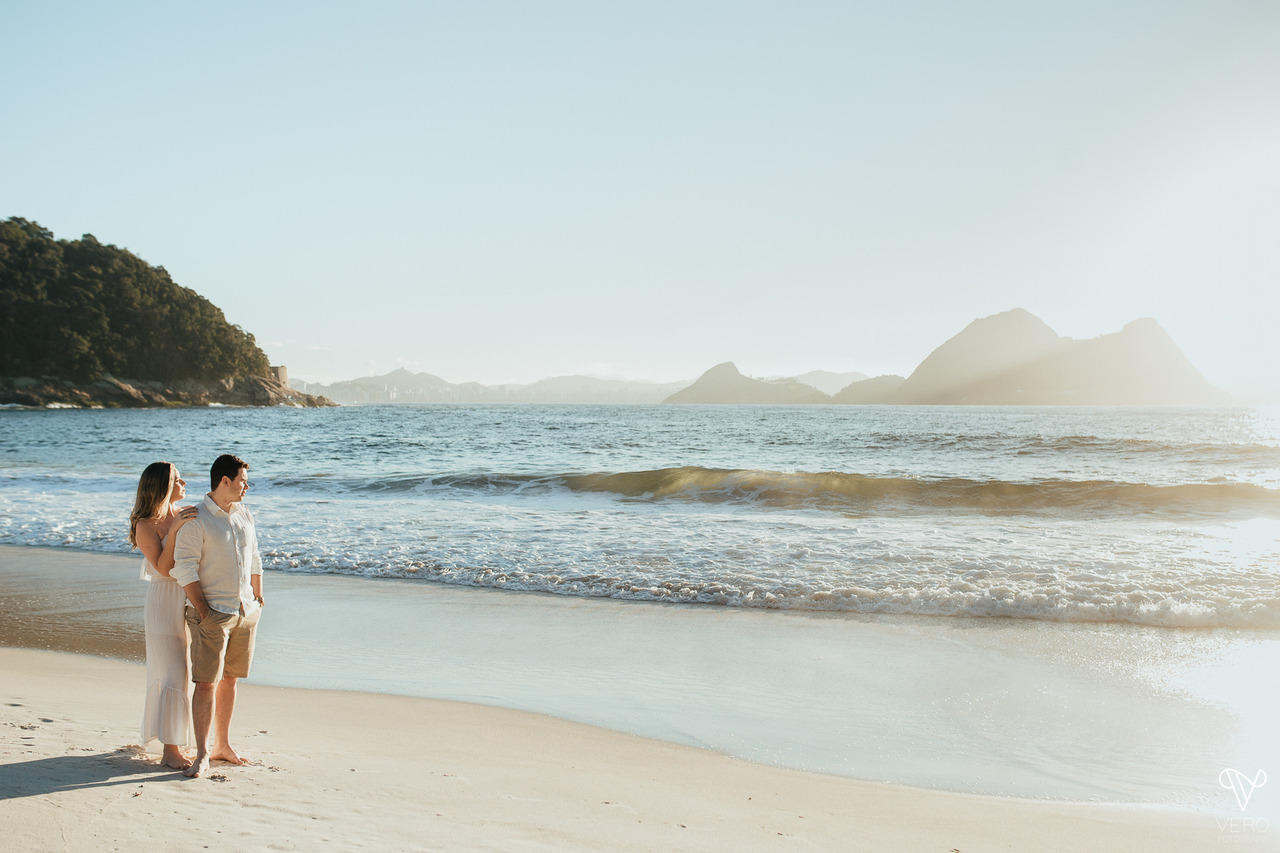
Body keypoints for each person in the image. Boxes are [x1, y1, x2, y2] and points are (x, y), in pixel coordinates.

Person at [170, 453, 265, 779]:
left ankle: (223, 745)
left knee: (231, 680)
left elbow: (254, 557)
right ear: (224, 481)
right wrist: (204, 611)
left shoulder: (244, 515)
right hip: (213, 614)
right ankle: (202, 754)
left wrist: (258, 596)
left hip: (245, 611)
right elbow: (183, 568)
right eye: (241, 481)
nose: (246, 486)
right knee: (207, 683)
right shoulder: (197, 519)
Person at [129, 461, 199, 770]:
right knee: (172, 672)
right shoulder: (146, 524)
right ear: (162, 486)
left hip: (189, 595)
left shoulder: (184, 515)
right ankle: (171, 749)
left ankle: (177, 741)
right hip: (163, 599)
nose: (184, 482)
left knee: (183, 671)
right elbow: (162, 567)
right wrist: (175, 530)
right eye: (176, 478)